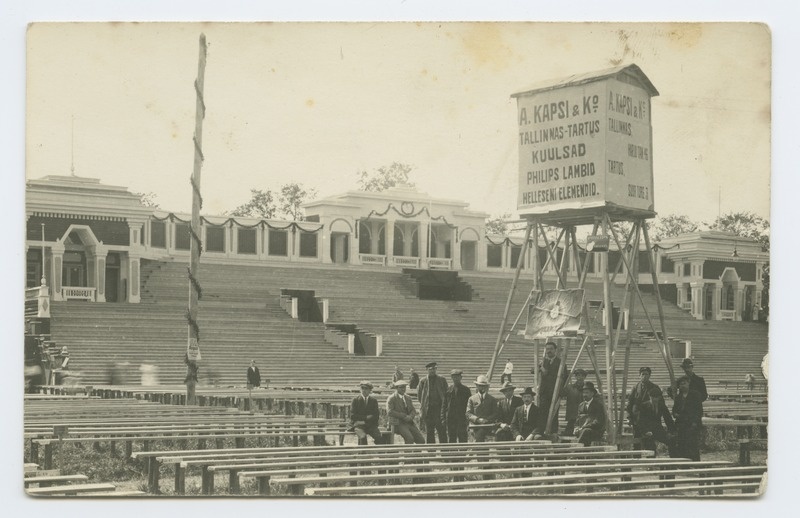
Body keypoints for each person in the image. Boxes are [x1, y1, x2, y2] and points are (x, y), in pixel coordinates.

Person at [626, 366, 674, 455]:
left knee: (652, 442)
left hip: (652, 419)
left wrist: (672, 430)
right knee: (637, 444)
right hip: (638, 421)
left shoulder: (654, 388)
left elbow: (662, 407)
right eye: (642, 374)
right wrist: (629, 417)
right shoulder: (635, 388)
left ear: (649, 375)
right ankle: (637, 461)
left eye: (647, 374)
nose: (644, 376)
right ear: (639, 376)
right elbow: (629, 404)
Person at [670, 375, 703, 461]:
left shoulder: (695, 395)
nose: (682, 385)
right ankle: (684, 464)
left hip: (692, 423)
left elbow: (698, 411)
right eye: (681, 384)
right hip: (681, 424)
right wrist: (675, 414)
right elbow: (674, 410)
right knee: (682, 444)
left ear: (688, 384)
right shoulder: (678, 397)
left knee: (692, 444)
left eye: (684, 383)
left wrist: (694, 422)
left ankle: (696, 463)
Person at [417, 361, 448, 443]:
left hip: (439, 409)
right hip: (429, 410)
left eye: (434, 369)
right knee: (430, 431)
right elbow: (420, 396)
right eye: (430, 369)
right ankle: (431, 451)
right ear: (427, 370)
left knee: (441, 430)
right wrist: (425, 404)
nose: (433, 371)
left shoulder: (442, 379)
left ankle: (444, 451)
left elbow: (446, 393)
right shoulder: (423, 381)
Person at [387, 380, 425, 444]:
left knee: (421, 440)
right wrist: (403, 416)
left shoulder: (408, 398)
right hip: (398, 423)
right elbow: (390, 411)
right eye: (401, 387)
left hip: (409, 422)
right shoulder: (392, 398)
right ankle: (407, 453)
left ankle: (416, 454)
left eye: (404, 387)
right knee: (410, 439)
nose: (403, 389)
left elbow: (413, 410)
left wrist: (410, 416)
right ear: (396, 388)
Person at [466, 375, 500, 442]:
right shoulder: (472, 399)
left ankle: (475, 449)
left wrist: (486, 420)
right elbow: (468, 413)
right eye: (480, 385)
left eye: (484, 386)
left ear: (487, 386)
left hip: (488, 426)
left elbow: (496, 413)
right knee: (478, 434)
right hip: (475, 426)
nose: (482, 387)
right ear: (477, 386)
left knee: (480, 434)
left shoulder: (492, 399)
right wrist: (478, 419)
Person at [441, 369, 472, 443]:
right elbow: (444, 405)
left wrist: (468, 418)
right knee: (452, 437)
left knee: (463, 437)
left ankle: (463, 454)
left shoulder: (466, 390)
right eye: (454, 377)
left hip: (462, 417)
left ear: (461, 378)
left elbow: (469, 405)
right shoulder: (448, 390)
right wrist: (443, 417)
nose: (456, 379)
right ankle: (452, 454)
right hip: (451, 418)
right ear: (451, 378)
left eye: (457, 377)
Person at [350, 381, 384, 445]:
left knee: (379, 437)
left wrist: (363, 421)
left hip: (370, 425)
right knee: (363, 437)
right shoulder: (355, 400)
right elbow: (353, 416)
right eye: (362, 388)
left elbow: (376, 416)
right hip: (358, 426)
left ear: (370, 390)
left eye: (366, 389)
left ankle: (380, 453)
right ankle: (362, 453)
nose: (364, 390)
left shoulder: (373, 401)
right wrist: (366, 417)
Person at [537, 341, 561, 433]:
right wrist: (538, 366)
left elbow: (554, 376)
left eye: (551, 349)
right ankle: (542, 431)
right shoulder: (544, 361)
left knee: (554, 413)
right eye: (547, 349)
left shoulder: (560, 362)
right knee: (542, 412)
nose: (549, 351)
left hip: (554, 391)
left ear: (555, 350)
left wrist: (543, 369)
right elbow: (533, 371)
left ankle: (553, 432)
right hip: (544, 392)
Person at [575, 381, 607, 446]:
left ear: (592, 393)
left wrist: (584, 427)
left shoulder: (598, 405)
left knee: (586, 431)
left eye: (587, 393)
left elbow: (598, 422)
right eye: (583, 392)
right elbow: (577, 420)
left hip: (596, 431)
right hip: (583, 430)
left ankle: (576, 452)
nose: (584, 395)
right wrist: (576, 427)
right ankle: (581, 454)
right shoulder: (581, 405)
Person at [562, 368, 587, 436]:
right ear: (575, 377)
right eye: (578, 375)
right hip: (572, 415)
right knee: (567, 435)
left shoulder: (587, 389)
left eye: (582, 376)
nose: (580, 378)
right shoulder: (570, 388)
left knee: (583, 434)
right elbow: (561, 393)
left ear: (584, 377)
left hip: (583, 417)